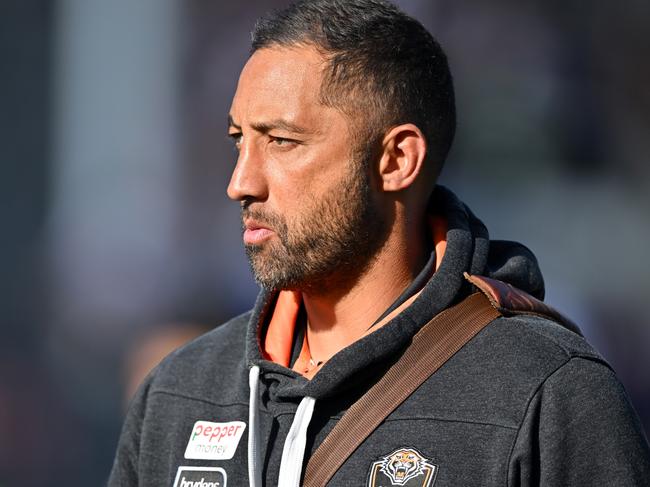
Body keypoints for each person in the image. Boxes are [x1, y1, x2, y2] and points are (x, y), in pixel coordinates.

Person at [108, 1, 650, 486]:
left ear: (396, 161)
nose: (241, 182)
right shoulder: (179, 393)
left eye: (281, 141)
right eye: (238, 140)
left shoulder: (547, 391)